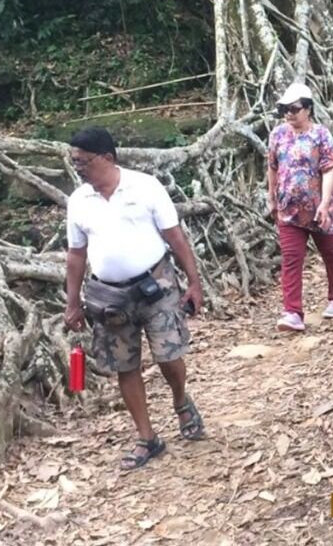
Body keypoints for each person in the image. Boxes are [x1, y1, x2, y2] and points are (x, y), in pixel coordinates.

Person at [63, 127, 206, 471]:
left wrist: (194, 282)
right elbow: (75, 255)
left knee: (169, 356)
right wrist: (72, 302)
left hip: (156, 285)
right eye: (74, 161)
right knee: (125, 366)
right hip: (109, 296)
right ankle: (147, 437)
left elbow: (175, 236)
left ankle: (181, 400)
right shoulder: (79, 201)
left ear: (107, 158)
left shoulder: (145, 187)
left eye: (82, 161)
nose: (78, 168)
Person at [268, 83, 333, 333]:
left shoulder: (321, 135)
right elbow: (273, 167)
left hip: (319, 209)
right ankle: (292, 312)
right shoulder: (278, 135)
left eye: (294, 108)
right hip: (289, 210)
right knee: (291, 260)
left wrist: (325, 204)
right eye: (284, 109)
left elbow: (328, 170)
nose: (289, 114)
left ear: (308, 108)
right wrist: (271, 197)